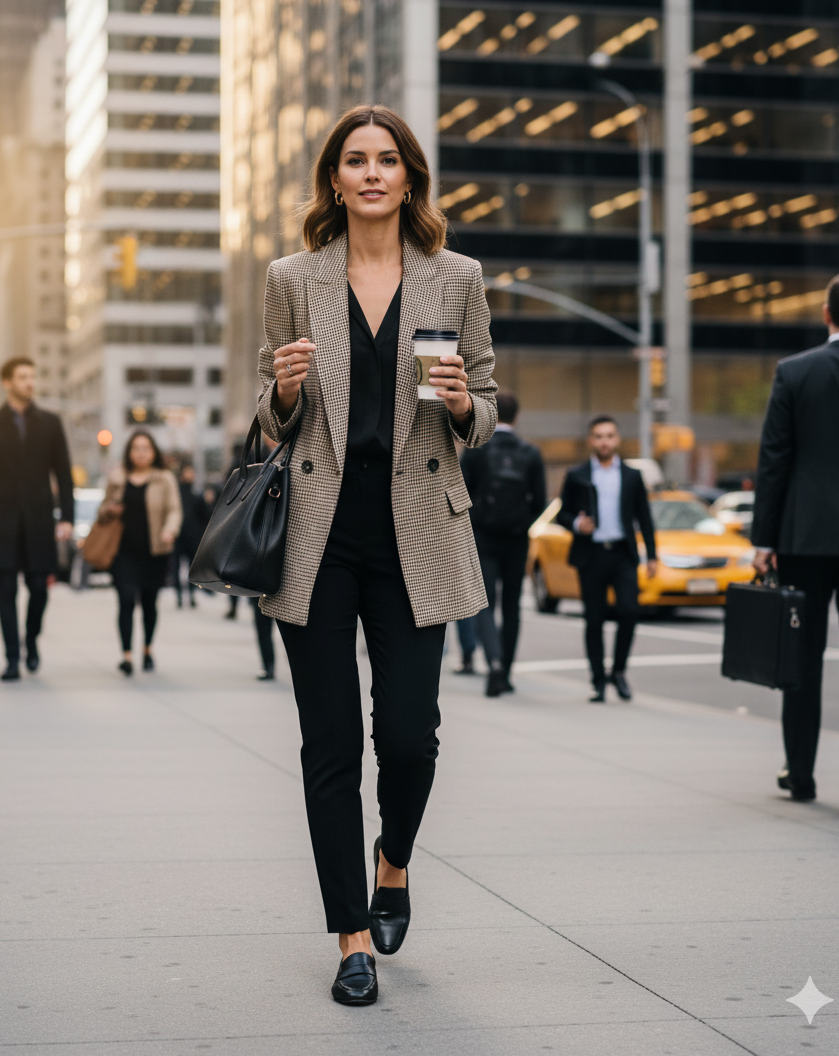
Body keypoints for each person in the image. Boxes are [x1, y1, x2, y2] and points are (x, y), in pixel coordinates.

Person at [255, 104, 496, 1005]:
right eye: (353, 160)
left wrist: (467, 403)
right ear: (333, 179)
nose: (369, 174)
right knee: (330, 746)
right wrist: (280, 396)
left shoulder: (457, 277)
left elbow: (489, 408)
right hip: (318, 535)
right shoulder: (291, 277)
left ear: (408, 178)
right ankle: (351, 934)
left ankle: (393, 860)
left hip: (417, 532)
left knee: (408, 737)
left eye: (385, 160)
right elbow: (267, 418)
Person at [751, 270, 839, 819]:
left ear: (827, 314)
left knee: (804, 658)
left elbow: (774, 461)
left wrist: (764, 540)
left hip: (803, 537)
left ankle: (800, 774)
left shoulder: (795, 372)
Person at [0, 357, 74, 681]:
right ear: (7, 383)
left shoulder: (51, 423)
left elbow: (64, 473)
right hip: (1, 520)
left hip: (39, 520)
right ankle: (12, 657)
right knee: (6, 590)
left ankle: (31, 640)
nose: (30, 382)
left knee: (39, 588)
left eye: (32, 377)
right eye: (23, 377)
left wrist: (66, 516)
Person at [558, 415, 657, 703]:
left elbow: (644, 517)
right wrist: (576, 524)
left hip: (623, 555)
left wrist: (652, 555)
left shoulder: (631, 475)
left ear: (617, 439)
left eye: (609, 436)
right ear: (591, 441)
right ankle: (598, 680)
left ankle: (619, 672)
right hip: (592, 556)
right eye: (599, 436)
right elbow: (562, 513)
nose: (604, 441)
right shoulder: (577, 475)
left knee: (629, 612)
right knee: (594, 620)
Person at [460, 391, 546, 697]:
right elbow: (541, 502)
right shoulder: (530, 453)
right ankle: (505, 671)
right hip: (516, 539)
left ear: (494, 414)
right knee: (512, 606)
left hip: (483, 536)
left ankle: (493, 662)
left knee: (484, 603)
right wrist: (521, 524)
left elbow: (462, 494)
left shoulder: (477, 450)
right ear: (518, 417)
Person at [99, 431, 182, 675]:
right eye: (136, 448)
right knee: (125, 600)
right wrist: (110, 510)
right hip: (123, 551)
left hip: (154, 551)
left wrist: (170, 530)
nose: (141, 452)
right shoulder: (117, 478)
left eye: (146, 448)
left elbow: (174, 510)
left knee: (149, 603)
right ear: (129, 452)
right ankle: (126, 655)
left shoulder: (164, 479)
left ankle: (146, 648)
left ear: (154, 452)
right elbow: (101, 511)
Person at [172, 462, 210, 608]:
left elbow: (205, 515)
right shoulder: (175, 493)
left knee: (192, 568)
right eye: (188, 473)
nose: (190, 476)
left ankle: (192, 595)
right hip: (178, 536)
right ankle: (179, 597)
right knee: (175, 567)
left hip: (193, 538)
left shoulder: (197, 494)